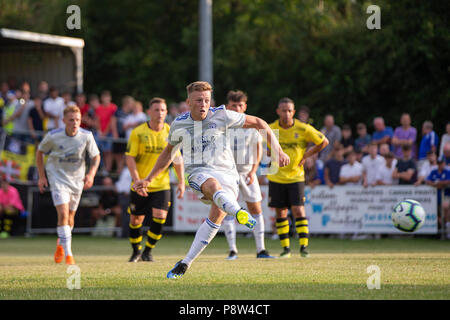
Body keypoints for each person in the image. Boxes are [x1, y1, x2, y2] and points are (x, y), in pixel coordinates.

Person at [132, 81, 290, 279]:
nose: (203, 104)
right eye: (198, 100)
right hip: (198, 172)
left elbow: (259, 123)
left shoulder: (222, 115)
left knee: (217, 213)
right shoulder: (179, 124)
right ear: (188, 102)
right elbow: (167, 154)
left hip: (229, 175)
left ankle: (185, 262)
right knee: (213, 186)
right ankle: (239, 212)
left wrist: (278, 150)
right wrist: (148, 179)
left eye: (207, 100)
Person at [36, 105, 101, 265]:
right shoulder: (53, 136)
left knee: (70, 218)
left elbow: (96, 157)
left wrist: (91, 174)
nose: (75, 123)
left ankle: (60, 244)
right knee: (64, 214)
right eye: (71, 120)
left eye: (77, 119)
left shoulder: (86, 136)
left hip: (76, 180)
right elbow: (40, 152)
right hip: (57, 178)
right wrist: (42, 176)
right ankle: (69, 255)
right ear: (63, 120)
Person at [125, 97, 185, 262]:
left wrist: (181, 182)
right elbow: (130, 158)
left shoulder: (171, 132)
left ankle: (148, 251)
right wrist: (137, 180)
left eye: (163, 110)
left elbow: (177, 159)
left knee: (160, 216)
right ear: (149, 112)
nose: (160, 113)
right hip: (139, 184)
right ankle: (136, 251)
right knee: (136, 219)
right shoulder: (138, 132)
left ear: (167, 112)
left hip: (161, 185)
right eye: (156, 110)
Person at [267, 97, 328, 258]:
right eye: (283, 110)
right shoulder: (271, 129)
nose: (286, 113)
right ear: (278, 111)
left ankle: (303, 247)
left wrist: (306, 155)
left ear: (293, 112)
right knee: (280, 213)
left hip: (296, 177)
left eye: (289, 110)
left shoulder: (303, 128)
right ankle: (285, 249)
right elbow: (264, 149)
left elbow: (324, 142)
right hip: (276, 177)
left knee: (298, 209)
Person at [222, 90, 274, 260]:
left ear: (245, 106)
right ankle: (232, 250)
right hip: (228, 174)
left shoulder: (251, 124)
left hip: (246, 173)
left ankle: (261, 250)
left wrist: (253, 170)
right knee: (228, 210)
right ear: (228, 106)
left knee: (256, 209)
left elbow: (258, 149)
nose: (236, 108)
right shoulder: (222, 124)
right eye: (233, 105)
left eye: (240, 105)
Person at [426, 158, 450, 238]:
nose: (440, 165)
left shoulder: (447, 172)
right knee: (436, 214)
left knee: (445, 207)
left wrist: (438, 183)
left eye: (442, 163)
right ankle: (439, 232)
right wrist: (437, 184)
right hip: (434, 197)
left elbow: (447, 181)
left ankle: (447, 228)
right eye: (439, 163)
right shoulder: (434, 171)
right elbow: (428, 181)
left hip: (445, 195)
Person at [96, 90, 118, 173]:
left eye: (107, 97)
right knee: (101, 151)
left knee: (108, 151)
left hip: (109, 133)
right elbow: (97, 120)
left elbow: (111, 122)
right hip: (101, 133)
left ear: (110, 98)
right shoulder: (99, 108)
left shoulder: (113, 107)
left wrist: (105, 132)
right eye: (104, 97)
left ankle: (108, 170)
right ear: (102, 98)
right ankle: (103, 168)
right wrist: (99, 131)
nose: (105, 99)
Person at [113, 96, 134, 176]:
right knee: (118, 155)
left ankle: (121, 174)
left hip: (127, 138)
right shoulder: (118, 111)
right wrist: (115, 133)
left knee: (125, 156)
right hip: (118, 136)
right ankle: (118, 173)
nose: (132, 106)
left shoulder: (131, 113)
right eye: (131, 104)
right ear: (126, 103)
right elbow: (113, 121)